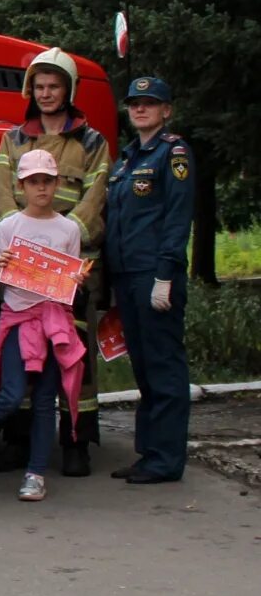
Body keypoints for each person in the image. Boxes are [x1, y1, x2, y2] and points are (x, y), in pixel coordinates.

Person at [0, 47, 111, 478]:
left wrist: (62, 240)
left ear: (68, 90)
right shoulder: (14, 138)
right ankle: (19, 441)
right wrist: (21, 237)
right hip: (23, 272)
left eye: (53, 86)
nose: (45, 93)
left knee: (72, 355)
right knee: (25, 354)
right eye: (38, 87)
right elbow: (1, 190)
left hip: (71, 269)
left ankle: (77, 442)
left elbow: (97, 194)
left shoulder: (92, 142)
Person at [0, 150, 88, 502]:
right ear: (21, 186)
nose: (41, 188)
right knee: (9, 395)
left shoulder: (69, 228)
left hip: (54, 322)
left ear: (57, 184)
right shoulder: (9, 225)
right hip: (17, 320)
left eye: (47, 181)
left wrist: (75, 280)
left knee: (44, 400)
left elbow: (69, 282)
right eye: (33, 182)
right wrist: (2, 267)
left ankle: (36, 473)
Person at [104, 77, 194, 485]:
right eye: (135, 104)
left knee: (163, 366)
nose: (140, 110)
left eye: (150, 103)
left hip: (155, 276)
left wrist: (165, 275)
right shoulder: (124, 161)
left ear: (166, 110)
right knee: (143, 366)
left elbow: (177, 218)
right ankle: (149, 454)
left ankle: (166, 459)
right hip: (127, 275)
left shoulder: (172, 154)